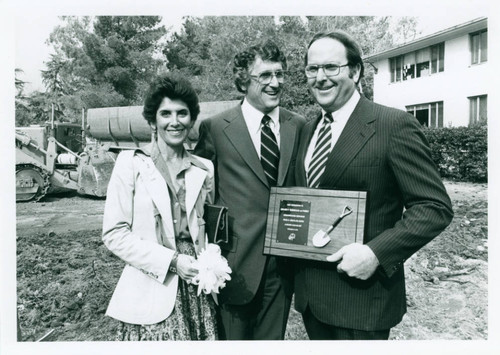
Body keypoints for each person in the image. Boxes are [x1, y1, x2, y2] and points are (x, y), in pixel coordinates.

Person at [293, 30, 454, 340]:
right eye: (312, 69)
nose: (320, 77)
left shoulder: (393, 125)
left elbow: (434, 207)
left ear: (355, 71)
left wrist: (375, 253)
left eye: (331, 67)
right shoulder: (307, 129)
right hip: (313, 301)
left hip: (362, 302)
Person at [194, 40, 306, 340]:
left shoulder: (299, 125)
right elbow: (198, 197)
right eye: (265, 76)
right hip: (234, 268)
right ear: (244, 80)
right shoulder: (216, 129)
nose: (275, 83)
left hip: (282, 267)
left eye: (280, 75)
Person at [102, 73, 218, 340]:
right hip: (150, 285)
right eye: (165, 113)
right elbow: (114, 234)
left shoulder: (204, 168)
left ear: (191, 119)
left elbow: (208, 226)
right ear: (153, 120)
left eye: (182, 113)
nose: (174, 122)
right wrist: (173, 261)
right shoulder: (130, 163)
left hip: (198, 289)